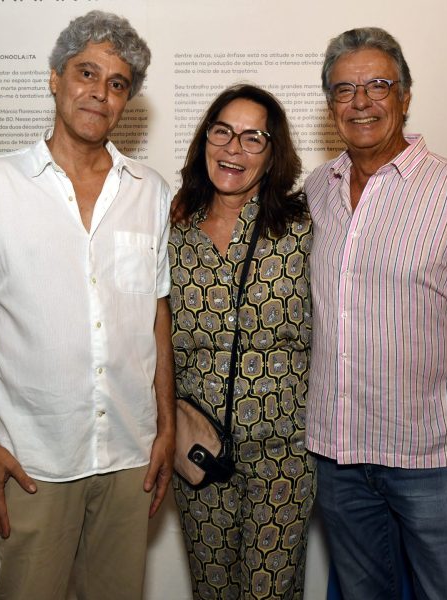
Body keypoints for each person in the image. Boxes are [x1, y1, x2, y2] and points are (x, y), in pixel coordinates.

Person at [0, 11, 174, 600]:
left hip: (128, 453)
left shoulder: (151, 192)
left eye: (117, 84)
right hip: (35, 457)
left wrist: (164, 428)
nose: (100, 92)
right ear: (55, 78)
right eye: (87, 72)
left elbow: (157, 319)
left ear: (126, 101)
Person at [305, 27, 447, 599]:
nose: (362, 101)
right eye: (345, 89)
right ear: (330, 105)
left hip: (435, 463)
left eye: (379, 84)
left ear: (405, 96)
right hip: (340, 460)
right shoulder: (316, 191)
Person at [169, 84, 315, 599]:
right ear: (204, 138)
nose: (234, 149)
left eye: (254, 138)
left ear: (273, 154)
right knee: (211, 591)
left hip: (284, 456)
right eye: (223, 131)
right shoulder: (171, 231)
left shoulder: (302, 226)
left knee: (268, 594)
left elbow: (359, 295)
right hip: (197, 450)